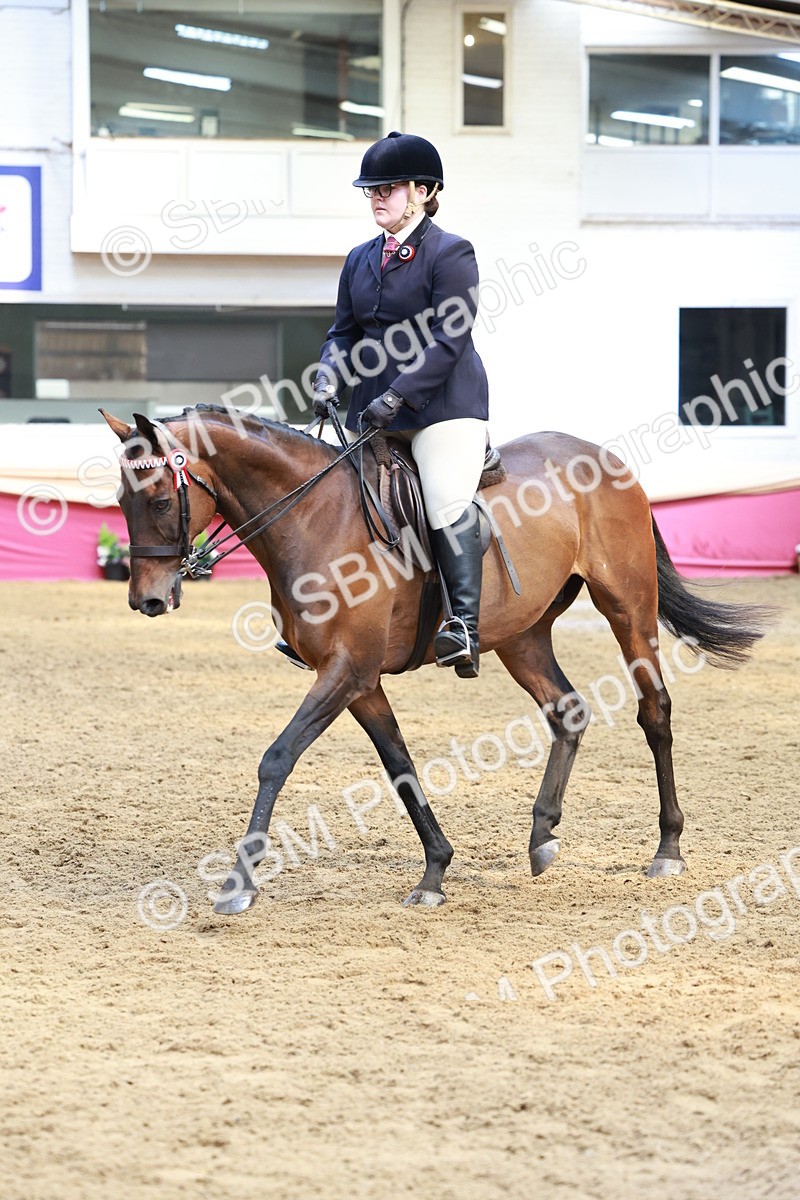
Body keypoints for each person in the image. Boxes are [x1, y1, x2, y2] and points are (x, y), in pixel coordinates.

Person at [286, 131, 490, 678]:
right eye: (371, 190)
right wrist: (329, 373)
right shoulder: (359, 259)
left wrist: (399, 396)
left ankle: (463, 625)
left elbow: (449, 339)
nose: (377, 197)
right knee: (321, 494)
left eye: (389, 188)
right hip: (368, 409)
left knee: (446, 500)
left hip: (441, 409)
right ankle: (317, 618)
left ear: (424, 192)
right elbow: (342, 332)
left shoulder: (451, 253)